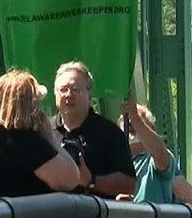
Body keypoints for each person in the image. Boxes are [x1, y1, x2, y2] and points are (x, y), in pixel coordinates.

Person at [0, 70, 80, 201]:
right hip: (7, 215)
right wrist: (47, 133)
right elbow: (70, 179)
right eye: (36, 104)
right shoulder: (22, 139)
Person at [52, 62, 135, 198]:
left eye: (75, 90)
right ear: (55, 94)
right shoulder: (44, 132)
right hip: (52, 210)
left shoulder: (109, 132)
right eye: (63, 89)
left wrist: (91, 180)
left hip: (95, 210)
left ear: (89, 93)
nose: (69, 94)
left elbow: (129, 184)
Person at [124, 101, 192, 205]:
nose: (131, 125)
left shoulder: (152, 159)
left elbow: (159, 154)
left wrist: (136, 119)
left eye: (137, 124)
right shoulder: (118, 164)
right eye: (127, 125)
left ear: (153, 129)